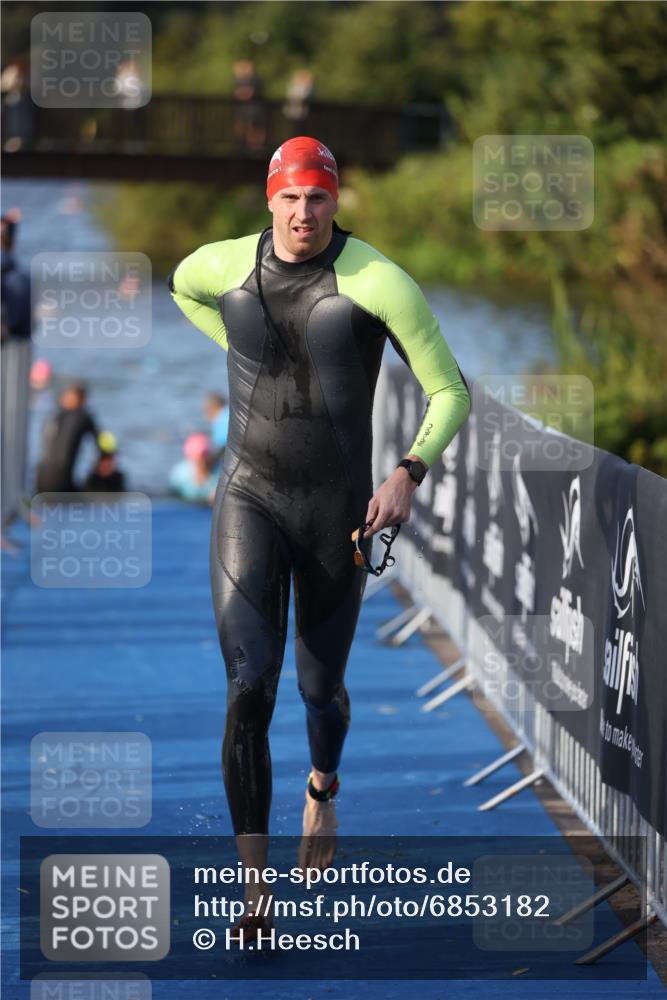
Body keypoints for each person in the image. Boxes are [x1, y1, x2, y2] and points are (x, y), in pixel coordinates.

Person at [168, 135, 470, 938]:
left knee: (318, 693)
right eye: (291, 199)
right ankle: (254, 892)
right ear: (269, 199)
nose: (305, 214)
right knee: (247, 686)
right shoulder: (222, 264)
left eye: (320, 199)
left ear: (336, 202)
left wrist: (407, 471)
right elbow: (178, 286)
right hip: (247, 495)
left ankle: (323, 787)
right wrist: (234, 348)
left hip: (337, 510)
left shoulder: (376, 280)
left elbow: (449, 389)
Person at [1, 209, 33, 550]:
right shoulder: (10, 272)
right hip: (9, 352)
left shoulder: (14, 272)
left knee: (12, 433)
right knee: (7, 433)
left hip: (15, 349)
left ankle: (11, 506)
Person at [35, 381, 98, 494]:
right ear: (82, 400)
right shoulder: (83, 416)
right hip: (62, 483)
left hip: (40, 482)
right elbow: (102, 443)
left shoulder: (52, 416)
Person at [168, 432, 217, 504]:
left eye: (204, 457)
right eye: (199, 458)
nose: (202, 462)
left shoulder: (218, 472)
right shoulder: (180, 474)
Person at [203, 392, 229, 471]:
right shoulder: (230, 410)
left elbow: (223, 446)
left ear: (213, 408)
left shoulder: (221, 418)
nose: (205, 417)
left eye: (205, 411)